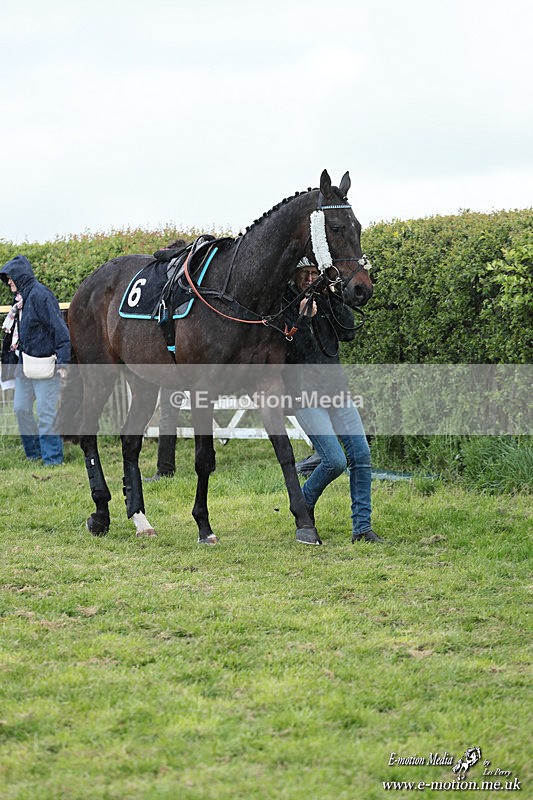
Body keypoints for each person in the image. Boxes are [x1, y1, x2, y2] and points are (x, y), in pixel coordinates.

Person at [283, 258, 385, 545]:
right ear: (294, 275)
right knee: (334, 461)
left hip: (336, 388)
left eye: (314, 273)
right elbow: (290, 353)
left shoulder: (326, 298)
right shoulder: (284, 304)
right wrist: (303, 318)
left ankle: (362, 528)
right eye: (305, 273)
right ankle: (302, 504)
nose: (310, 278)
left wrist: (333, 296)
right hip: (304, 394)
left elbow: (348, 332)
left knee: (361, 456)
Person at [0, 255, 70, 465]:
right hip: (24, 364)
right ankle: (34, 454)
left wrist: (63, 363)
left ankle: (52, 459)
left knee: (46, 413)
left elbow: (60, 329)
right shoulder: (20, 299)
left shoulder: (41, 296)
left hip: (45, 365)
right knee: (20, 409)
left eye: (10, 277)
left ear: (20, 276)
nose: (8, 282)